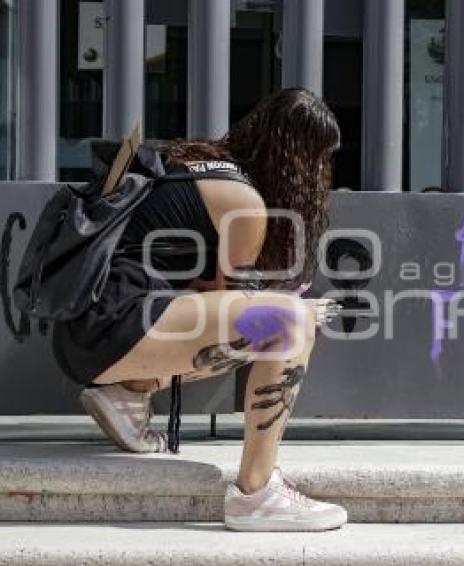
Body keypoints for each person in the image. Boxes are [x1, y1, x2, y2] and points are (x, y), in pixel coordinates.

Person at [51, 88, 348, 532]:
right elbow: (239, 304)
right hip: (116, 325)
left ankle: (127, 390)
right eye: (321, 161)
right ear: (299, 159)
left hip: (86, 330)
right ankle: (257, 492)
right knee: (288, 321)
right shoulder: (244, 201)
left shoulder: (192, 160)